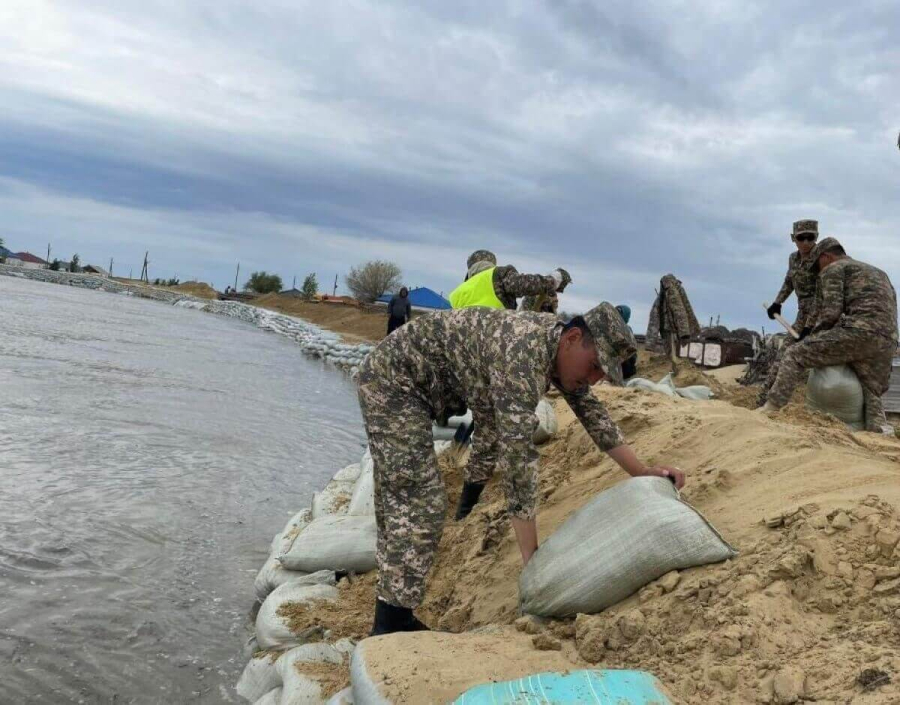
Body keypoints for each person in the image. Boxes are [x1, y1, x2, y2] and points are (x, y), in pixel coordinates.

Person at [357, 303, 687, 635]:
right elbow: (517, 462)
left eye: (602, 375)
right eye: (594, 367)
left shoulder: (555, 345)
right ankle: (390, 626)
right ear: (573, 337)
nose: (594, 379)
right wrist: (533, 562)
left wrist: (641, 471)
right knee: (421, 503)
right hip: (394, 385)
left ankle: (392, 612)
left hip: (413, 386)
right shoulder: (522, 356)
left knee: (402, 500)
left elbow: (592, 413)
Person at [760, 237, 898, 433]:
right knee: (871, 387)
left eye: (817, 266)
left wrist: (810, 336)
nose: (818, 271)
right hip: (888, 339)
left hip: (858, 332)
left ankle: (771, 408)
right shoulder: (879, 273)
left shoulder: (834, 268)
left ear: (825, 257)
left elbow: (830, 313)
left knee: (795, 355)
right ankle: (878, 432)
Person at [757, 220, 821, 406]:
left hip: (823, 315)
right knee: (783, 357)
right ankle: (765, 402)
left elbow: (824, 293)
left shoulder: (822, 258)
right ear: (794, 239)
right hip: (802, 315)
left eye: (812, 237)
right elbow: (789, 282)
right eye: (802, 238)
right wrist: (778, 303)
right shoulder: (793, 258)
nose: (807, 242)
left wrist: (810, 326)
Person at [448, 249, 572, 311]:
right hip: (497, 347)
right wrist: (554, 279)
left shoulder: (455, 295)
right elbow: (525, 284)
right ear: (492, 263)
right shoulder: (496, 275)